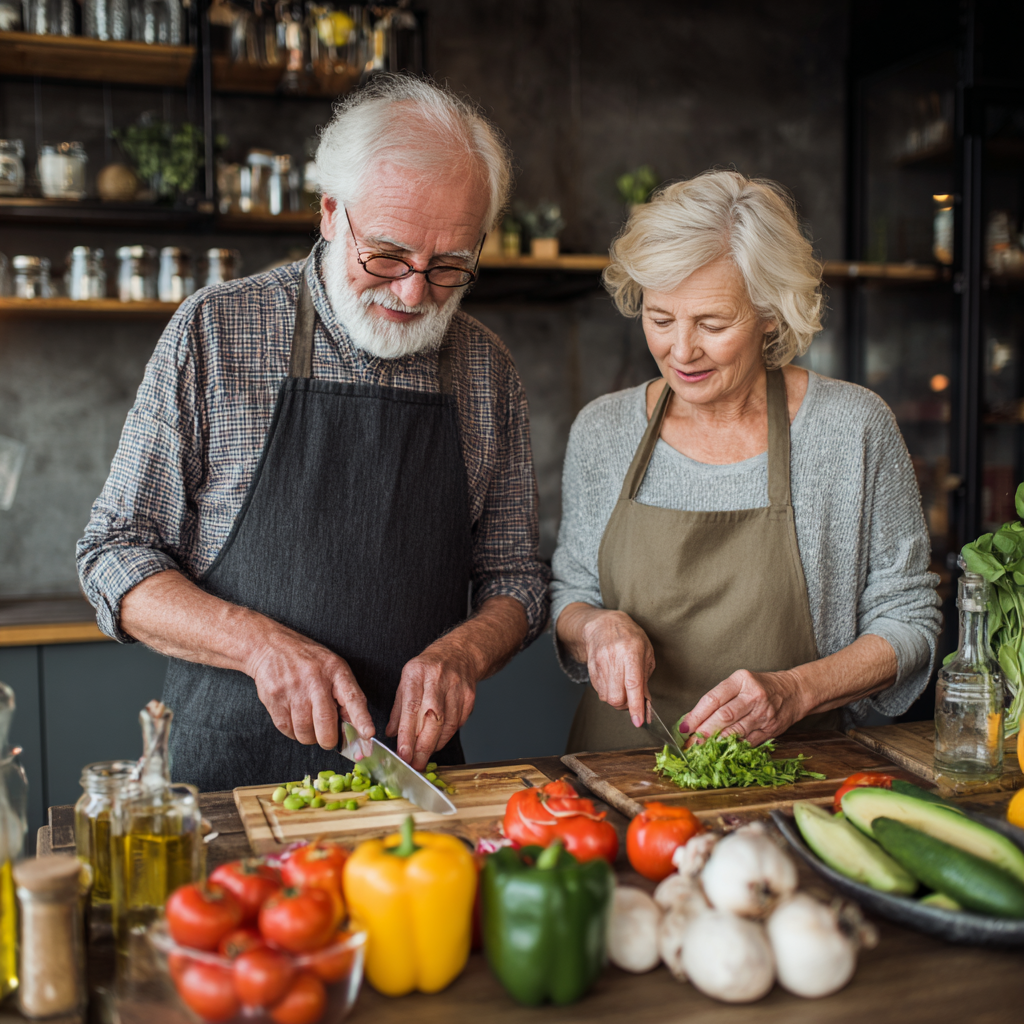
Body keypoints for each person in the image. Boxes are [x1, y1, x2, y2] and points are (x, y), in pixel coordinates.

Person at [77, 75, 550, 791]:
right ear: (331, 214)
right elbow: (114, 555)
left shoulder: (486, 369)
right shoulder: (217, 331)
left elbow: (515, 577)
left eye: (450, 265)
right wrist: (259, 646)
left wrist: (467, 652)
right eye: (387, 256)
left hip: (409, 783)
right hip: (226, 782)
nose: (414, 292)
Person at [551, 170, 941, 752]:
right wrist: (595, 626)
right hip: (617, 770)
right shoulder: (603, 431)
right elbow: (570, 590)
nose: (681, 352)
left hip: (795, 774)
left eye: (712, 323)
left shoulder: (851, 428)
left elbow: (911, 619)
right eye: (660, 319)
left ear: (770, 312)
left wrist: (796, 691)